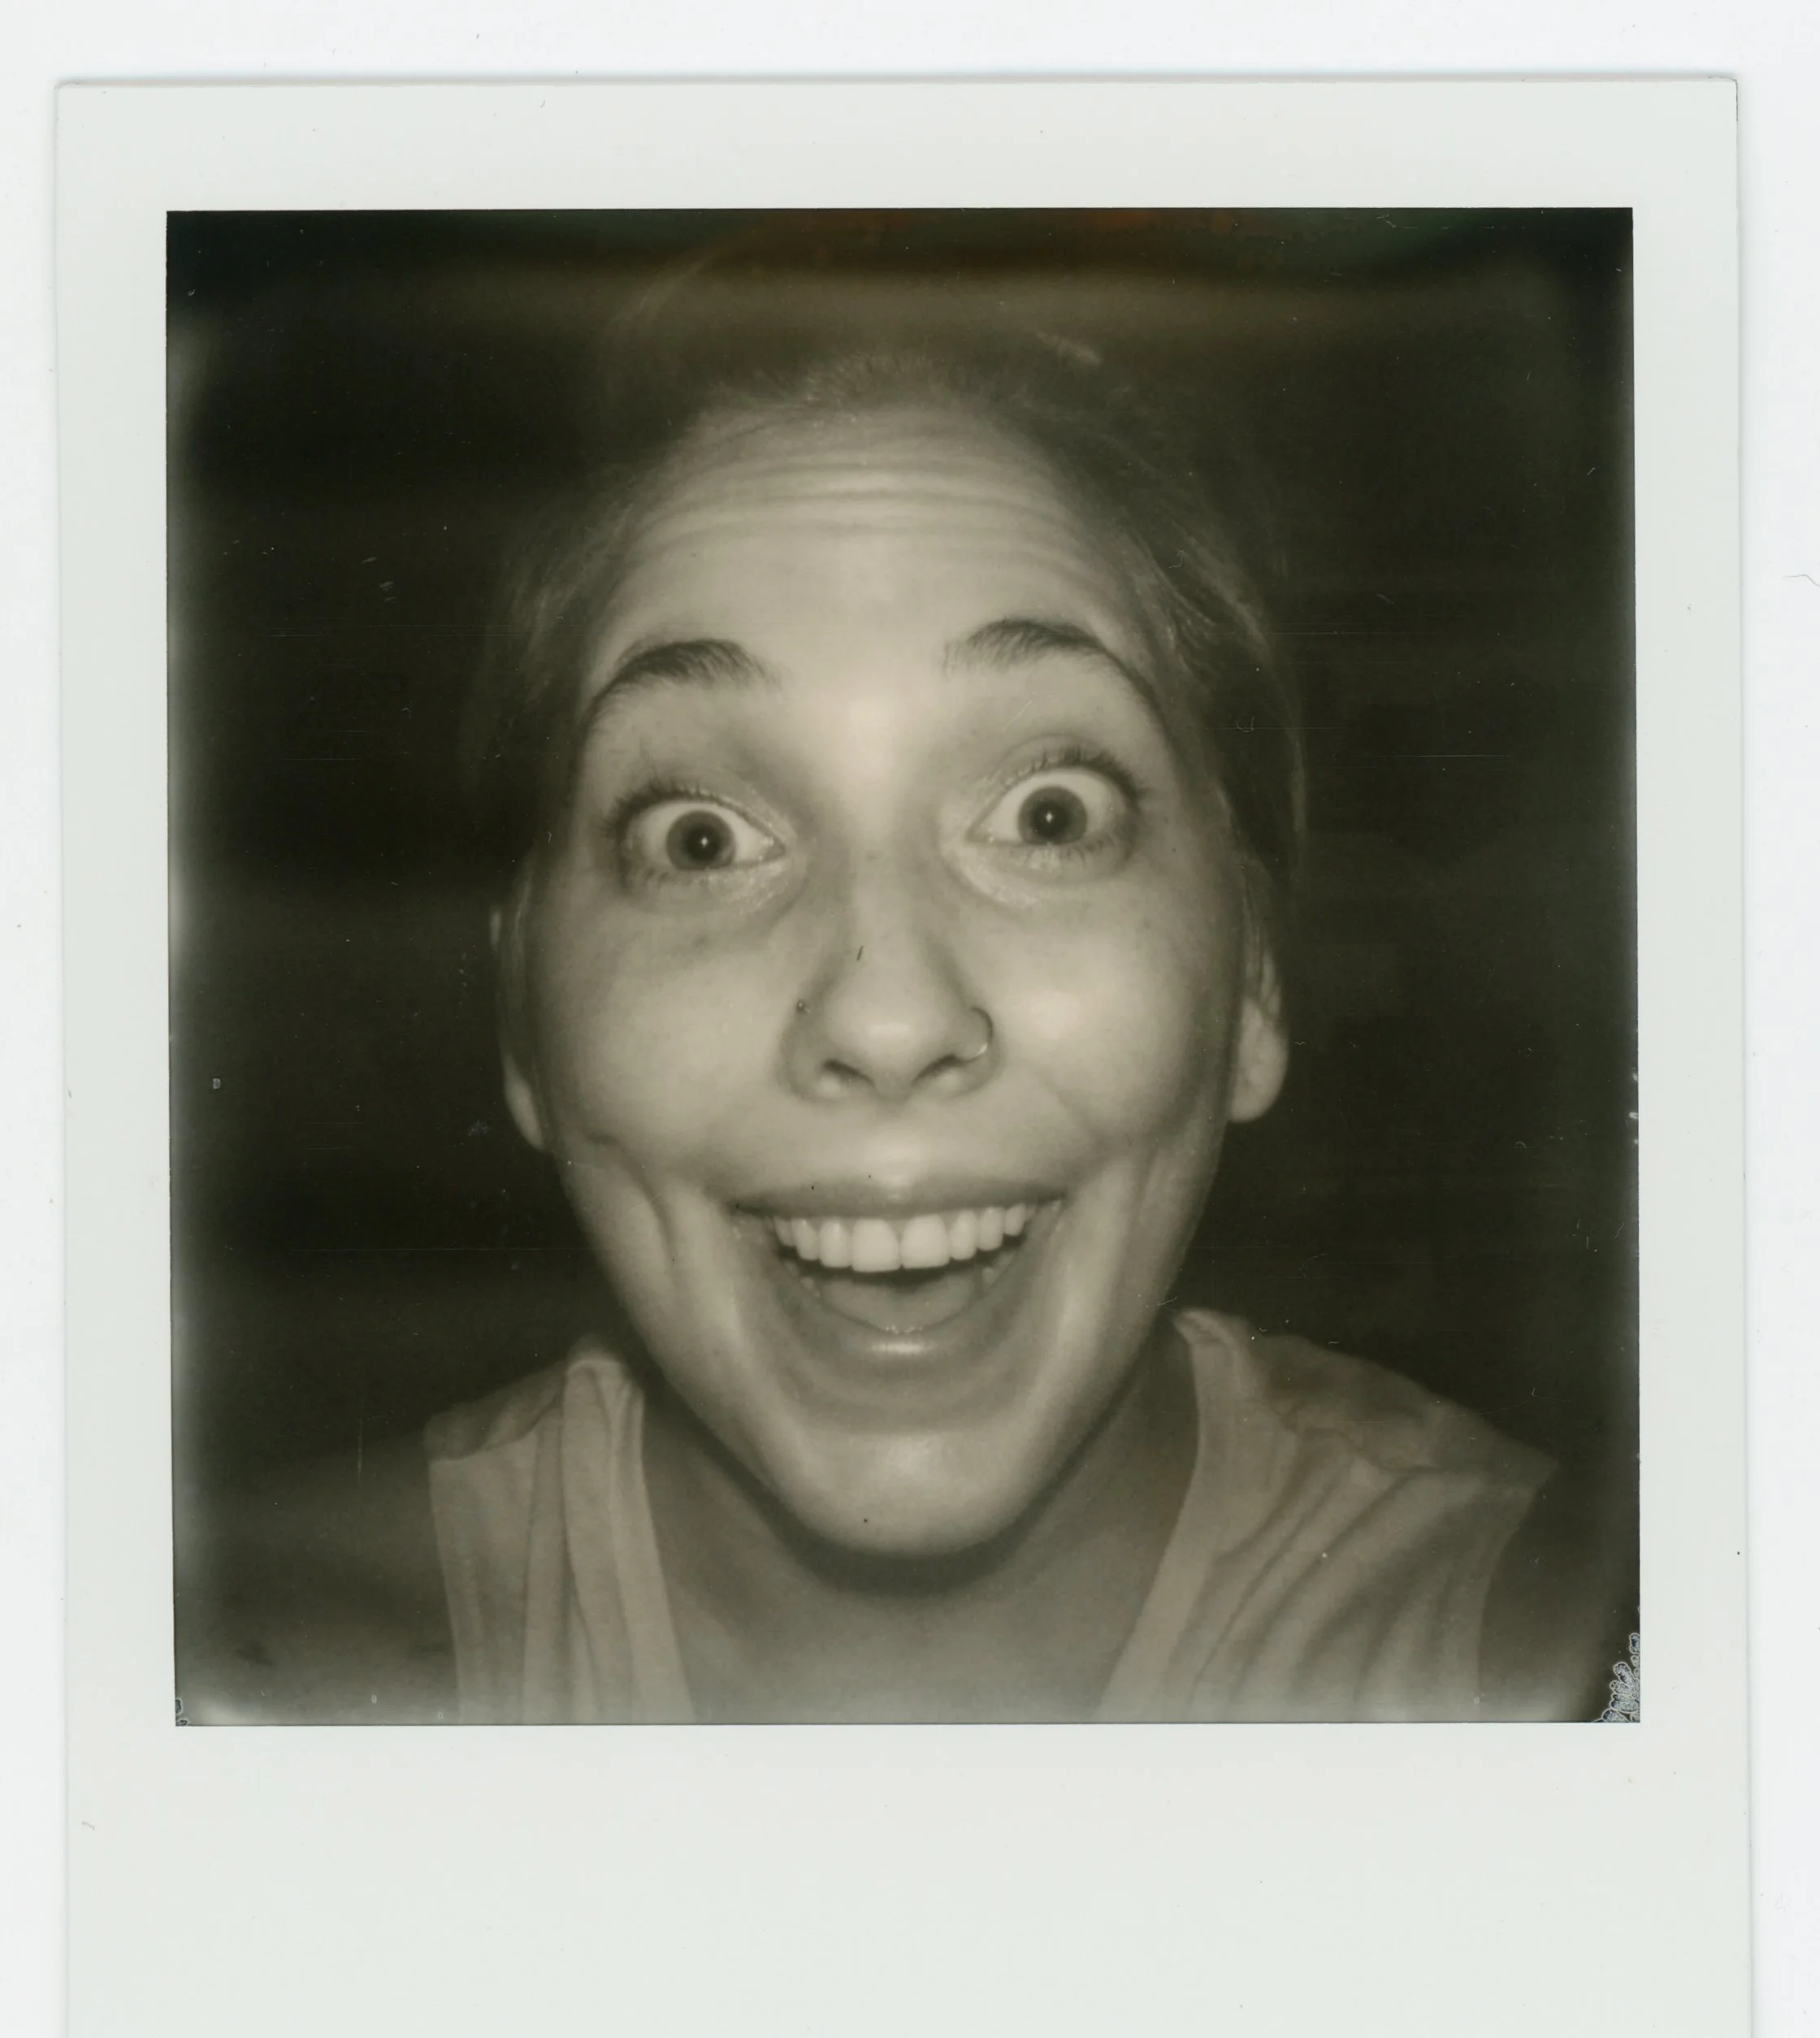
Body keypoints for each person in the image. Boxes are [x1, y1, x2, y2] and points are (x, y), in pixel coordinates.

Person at [176, 288, 1632, 1726]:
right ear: (525, 1026)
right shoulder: (215, 1693)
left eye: (1050, 815)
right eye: (698, 838)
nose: (885, 1017)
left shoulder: (1588, 1675)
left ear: (1250, 969)